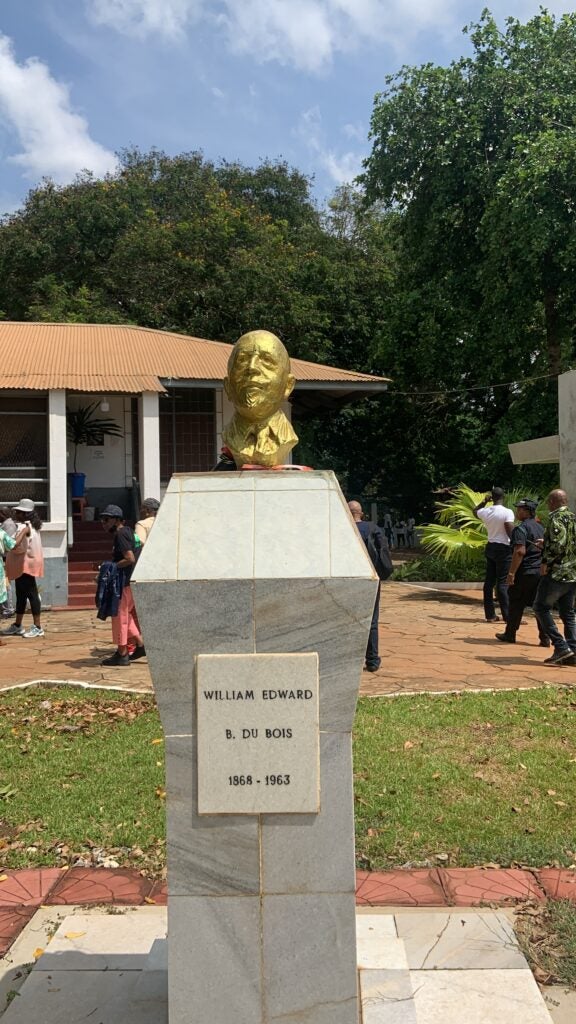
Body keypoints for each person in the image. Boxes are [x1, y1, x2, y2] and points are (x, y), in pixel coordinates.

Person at [219, 330, 298, 468]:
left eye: (267, 360)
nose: (252, 367)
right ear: (228, 386)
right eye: (242, 360)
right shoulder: (228, 436)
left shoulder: (287, 437)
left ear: (288, 385)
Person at [495, 499, 549, 646]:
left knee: (516, 603)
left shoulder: (521, 529)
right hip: (539, 572)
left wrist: (511, 573)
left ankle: (510, 634)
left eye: (520, 509)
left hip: (524, 572)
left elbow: (519, 551)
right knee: (539, 605)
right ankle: (545, 638)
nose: (517, 512)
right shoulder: (540, 527)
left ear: (527, 511)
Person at [532, 489, 576, 666]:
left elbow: (558, 545)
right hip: (573, 574)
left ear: (552, 502)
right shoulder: (573, 517)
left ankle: (561, 646)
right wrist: (546, 542)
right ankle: (573, 650)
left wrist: (545, 561)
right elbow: (567, 542)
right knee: (568, 613)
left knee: (540, 607)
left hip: (558, 573)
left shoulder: (554, 518)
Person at [100, 504, 145, 666]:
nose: (103, 523)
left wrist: (110, 567)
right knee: (126, 615)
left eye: (106, 519)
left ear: (117, 520)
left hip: (125, 583)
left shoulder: (120, 534)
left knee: (119, 617)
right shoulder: (128, 532)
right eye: (102, 519)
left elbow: (129, 558)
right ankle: (140, 645)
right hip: (131, 581)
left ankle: (122, 653)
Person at [348, 500, 387, 673]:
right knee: (371, 620)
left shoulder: (342, 529)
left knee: (348, 618)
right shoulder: (373, 528)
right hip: (371, 577)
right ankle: (372, 660)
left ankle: (348, 659)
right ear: (361, 513)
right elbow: (384, 552)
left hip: (348, 578)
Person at [2, 498, 44, 638]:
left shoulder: (25, 527)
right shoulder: (33, 526)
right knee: (21, 594)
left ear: (25, 514)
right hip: (26, 563)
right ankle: (18, 625)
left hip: (26, 564)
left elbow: (14, 545)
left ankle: (37, 627)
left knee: (31, 594)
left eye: (18, 512)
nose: (15, 514)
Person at [474, 487, 514, 622]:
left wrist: (484, 501)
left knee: (489, 583)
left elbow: (475, 511)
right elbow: (509, 529)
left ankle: (490, 615)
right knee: (502, 583)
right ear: (504, 497)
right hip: (504, 548)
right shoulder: (507, 512)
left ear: (492, 497)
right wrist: (516, 543)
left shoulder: (485, 511)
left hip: (491, 547)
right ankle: (508, 617)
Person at [0, 506, 16, 617]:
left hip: (6, 560)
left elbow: (10, 545)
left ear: (2, 513)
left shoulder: (8, 525)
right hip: (5, 559)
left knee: (6, 585)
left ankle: (8, 609)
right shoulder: (5, 524)